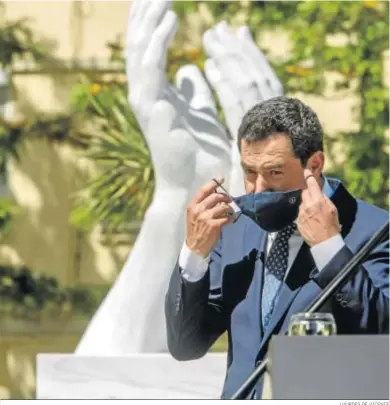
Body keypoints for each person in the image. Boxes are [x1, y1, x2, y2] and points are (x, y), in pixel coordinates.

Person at [164, 96, 389, 399]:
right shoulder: (235, 231)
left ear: (315, 164)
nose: (258, 188)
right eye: (249, 172)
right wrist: (194, 254)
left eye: (275, 172)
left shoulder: (374, 229)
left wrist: (330, 249)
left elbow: (381, 338)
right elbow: (185, 346)